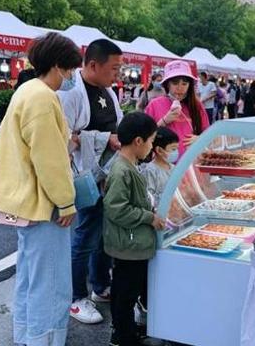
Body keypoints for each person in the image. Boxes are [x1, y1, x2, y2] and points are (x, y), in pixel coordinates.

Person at [0, 32, 82, 345]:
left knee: (30, 281)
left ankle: (26, 337)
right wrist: (66, 202)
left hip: (24, 204)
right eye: (70, 70)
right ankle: (45, 340)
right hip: (45, 208)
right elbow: (50, 159)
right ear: (57, 65)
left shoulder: (26, 91)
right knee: (53, 286)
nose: (71, 77)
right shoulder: (43, 97)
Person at [58, 38, 124, 324]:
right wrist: (102, 138)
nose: (118, 74)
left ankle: (99, 286)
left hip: (108, 175)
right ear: (93, 65)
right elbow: (64, 139)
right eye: (114, 68)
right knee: (85, 236)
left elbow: (117, 124)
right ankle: (75, 297)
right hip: (85, 177)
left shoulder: (109, 91)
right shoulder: (71, 94)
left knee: (103, 233)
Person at [103, 112, 166, 346]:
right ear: (138, 141)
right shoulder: (122, 170)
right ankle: (124, 337)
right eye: (151, 140)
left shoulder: (129, 165)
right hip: (128, 243)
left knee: (124, 291)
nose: (152, 146)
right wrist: (149, 217)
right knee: (126, 294)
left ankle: (123, 331)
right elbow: (116, 209)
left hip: (129, 241)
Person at [145, 60, 210, 157]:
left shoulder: (197, 105)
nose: (180, 88)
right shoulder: (154, 104)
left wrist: (200, 139)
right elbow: (144, 136)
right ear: (168, 84)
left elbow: (208, 134)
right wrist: (164, 121)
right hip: (162, 165)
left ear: (190, 85)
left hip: (190, 163)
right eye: (175, 83)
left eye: (184, 84)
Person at [141, 127, 180, 209]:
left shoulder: (174, 168)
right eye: (173, 149)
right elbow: (149, 198)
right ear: (159, 150)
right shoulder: (150, 171)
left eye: (177, 149)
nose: (176, 152)